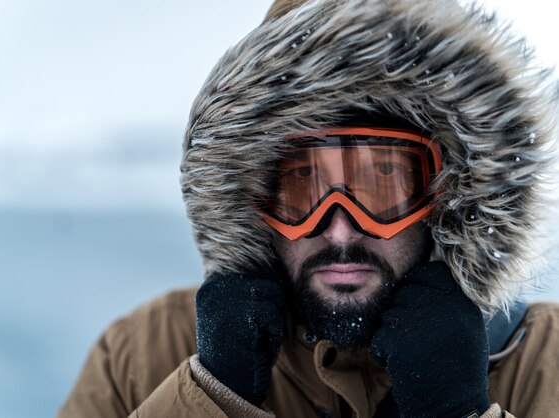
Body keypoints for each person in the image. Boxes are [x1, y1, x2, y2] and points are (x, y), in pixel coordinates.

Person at [57, 0, 559, 417]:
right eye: (302, 183)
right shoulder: (140, 354)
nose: (340, 231)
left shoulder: (548, 360)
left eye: (384, 181)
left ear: (452, 197)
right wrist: (209, 398)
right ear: (247, 202)